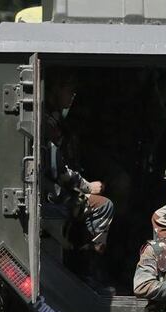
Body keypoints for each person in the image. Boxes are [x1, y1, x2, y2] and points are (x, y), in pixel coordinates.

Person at [44, 71, 115, 285]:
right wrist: (86, 186)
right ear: (56, 89)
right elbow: (57, 170)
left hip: (55, 190)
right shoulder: (49, 123)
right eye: (69, 90)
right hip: (50, 195)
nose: (72, 96)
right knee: (103, 206)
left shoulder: (56, 118)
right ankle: (85, 268)